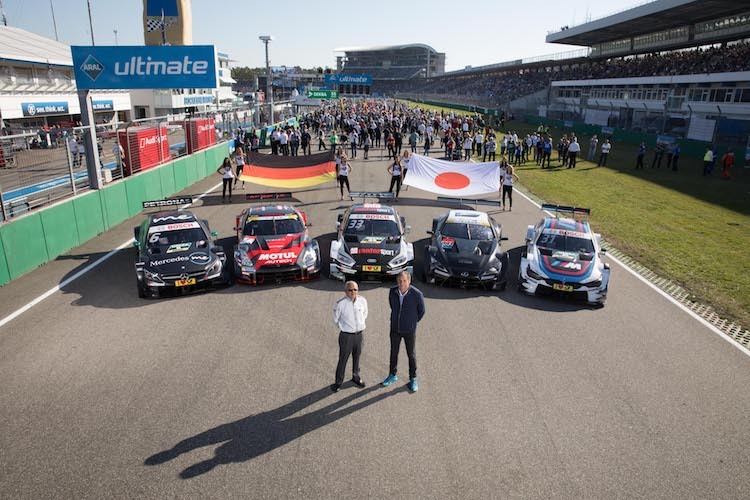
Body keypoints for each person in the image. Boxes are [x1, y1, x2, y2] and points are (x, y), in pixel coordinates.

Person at [382, 271, 425, 393]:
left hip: (409, 330)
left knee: (411, 355)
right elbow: (393, 306)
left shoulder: (417, 294)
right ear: (397, 281)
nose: (402, 283)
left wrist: (412, 322)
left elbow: (421, 311)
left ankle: (413, 378)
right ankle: (392, 375)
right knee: (393, 352)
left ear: (409, 281)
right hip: (395, 328)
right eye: (400, 281)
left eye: (404, 281)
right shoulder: (392, 292)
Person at [331, 280, 368, 392]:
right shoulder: (340, 304)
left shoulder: (362, 301)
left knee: (357, 357)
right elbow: (335, 319)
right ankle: (338, 382)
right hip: (346, 336)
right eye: (350, 290)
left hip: (359, 335)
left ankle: (355, 377)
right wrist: (345, 327)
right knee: (343, 359)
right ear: (345, 291)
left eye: (355, 289)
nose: (353, 292)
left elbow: (365, 314)